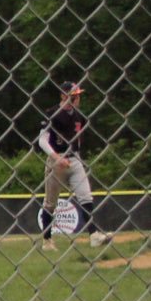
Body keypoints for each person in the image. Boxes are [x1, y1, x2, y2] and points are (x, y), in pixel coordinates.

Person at [37, 81, 111, 250]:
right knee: (50, 203)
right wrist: (56, 157)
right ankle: (47, 240)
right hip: (56, 162)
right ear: (64, 96)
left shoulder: (79, 116)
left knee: (86, 196)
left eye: (78, 95)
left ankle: (93, 235)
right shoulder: (52, 114)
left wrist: (76, 156)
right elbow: (42, 141)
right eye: (74, 95)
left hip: (74, 159)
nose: (78, 98)